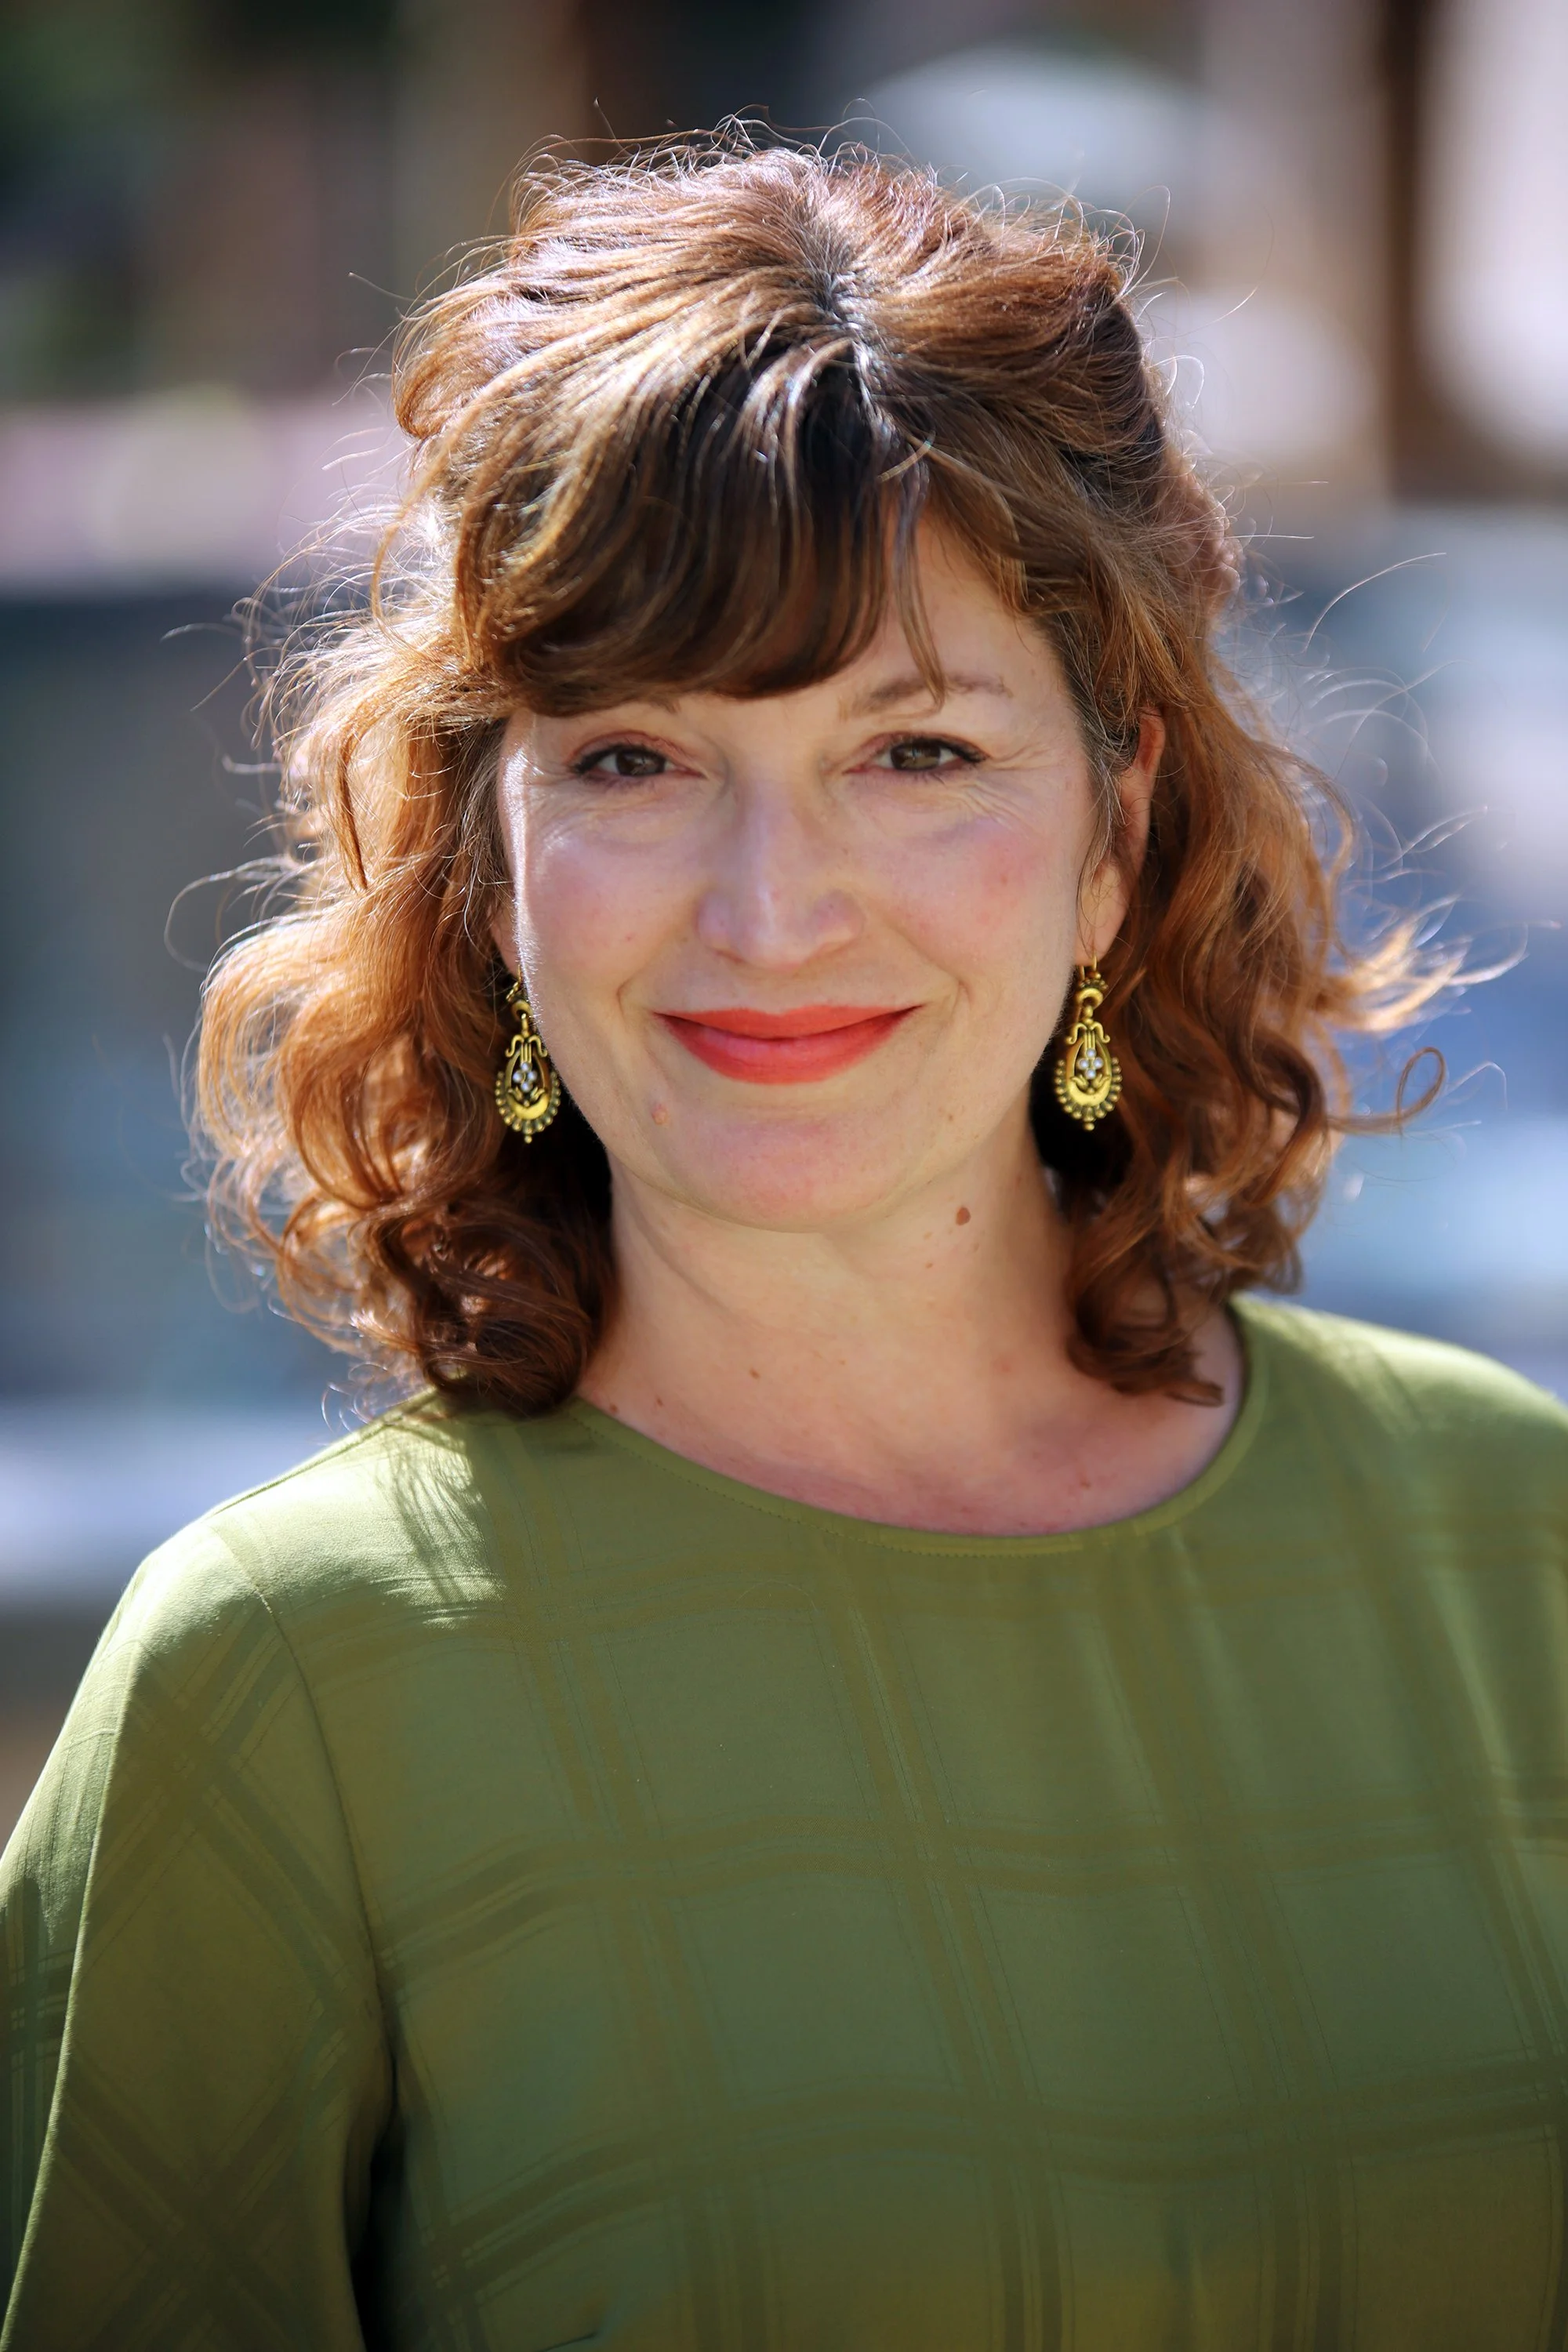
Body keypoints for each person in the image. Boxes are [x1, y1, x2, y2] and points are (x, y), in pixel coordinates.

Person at [2, 140, 1565, 2352]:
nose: (769, 914)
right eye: (635, 761)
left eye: (913, 751)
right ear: (487, 861)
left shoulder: (1520, 1548)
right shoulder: (283, 1692)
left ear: (1113, 832)